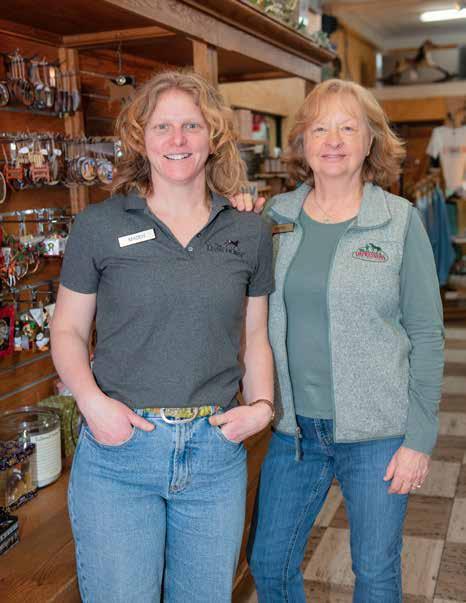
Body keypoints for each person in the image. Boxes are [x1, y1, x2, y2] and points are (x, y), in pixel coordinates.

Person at [50, 70, 275, 603]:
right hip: (121, 452)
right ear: (140, 137)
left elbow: (255, 333)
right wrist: (92, 404)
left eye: (191, 126)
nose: (177, 140)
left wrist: (262, 408)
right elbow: (67, 328)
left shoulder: (248, 230)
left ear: (213, 136)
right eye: (162, 126)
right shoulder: (99, 225)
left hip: (214, 454)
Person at [239, 79, 444, 602]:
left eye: (348, 128)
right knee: (268, 562)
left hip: (378, 434)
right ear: (302, 142)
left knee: (375, 571)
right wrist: (235, 216)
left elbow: (426, 333)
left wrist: (418, 440)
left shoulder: (398, 221)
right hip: (294, 432)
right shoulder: (274, 217)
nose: (333, 140)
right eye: (320, 129)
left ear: (370, 140)